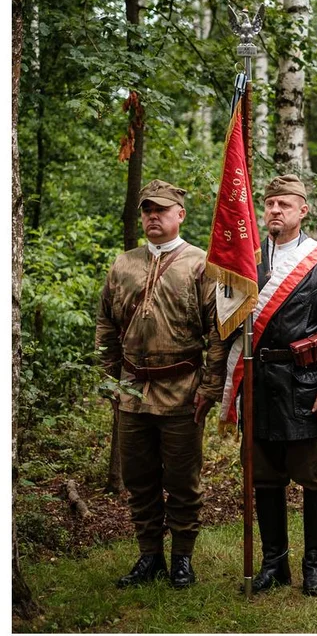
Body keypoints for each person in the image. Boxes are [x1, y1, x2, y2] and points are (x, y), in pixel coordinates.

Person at [221, 174, 317, 596]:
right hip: (258, 387)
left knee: (315, 479)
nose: (275, 210)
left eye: (284, 204)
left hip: (306, 386)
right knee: (264, 479)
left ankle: (314, 564)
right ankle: (273, 562)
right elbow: (226, 329)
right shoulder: (247, 263)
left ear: (303, 210)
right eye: (270, 204)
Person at [95, 179, 227, 589]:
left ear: (180, 215)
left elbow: (218, 333)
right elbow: (105, 324)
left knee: (183, 480)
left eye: (161, 210)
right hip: (133, 390)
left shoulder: (202, 264)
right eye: (147, 210)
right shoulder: (123, 264)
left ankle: (182, 559)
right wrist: (110, 379)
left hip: (182, 389)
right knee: (139, 479)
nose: (153, 217)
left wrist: (209, 388)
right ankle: (148, 555)